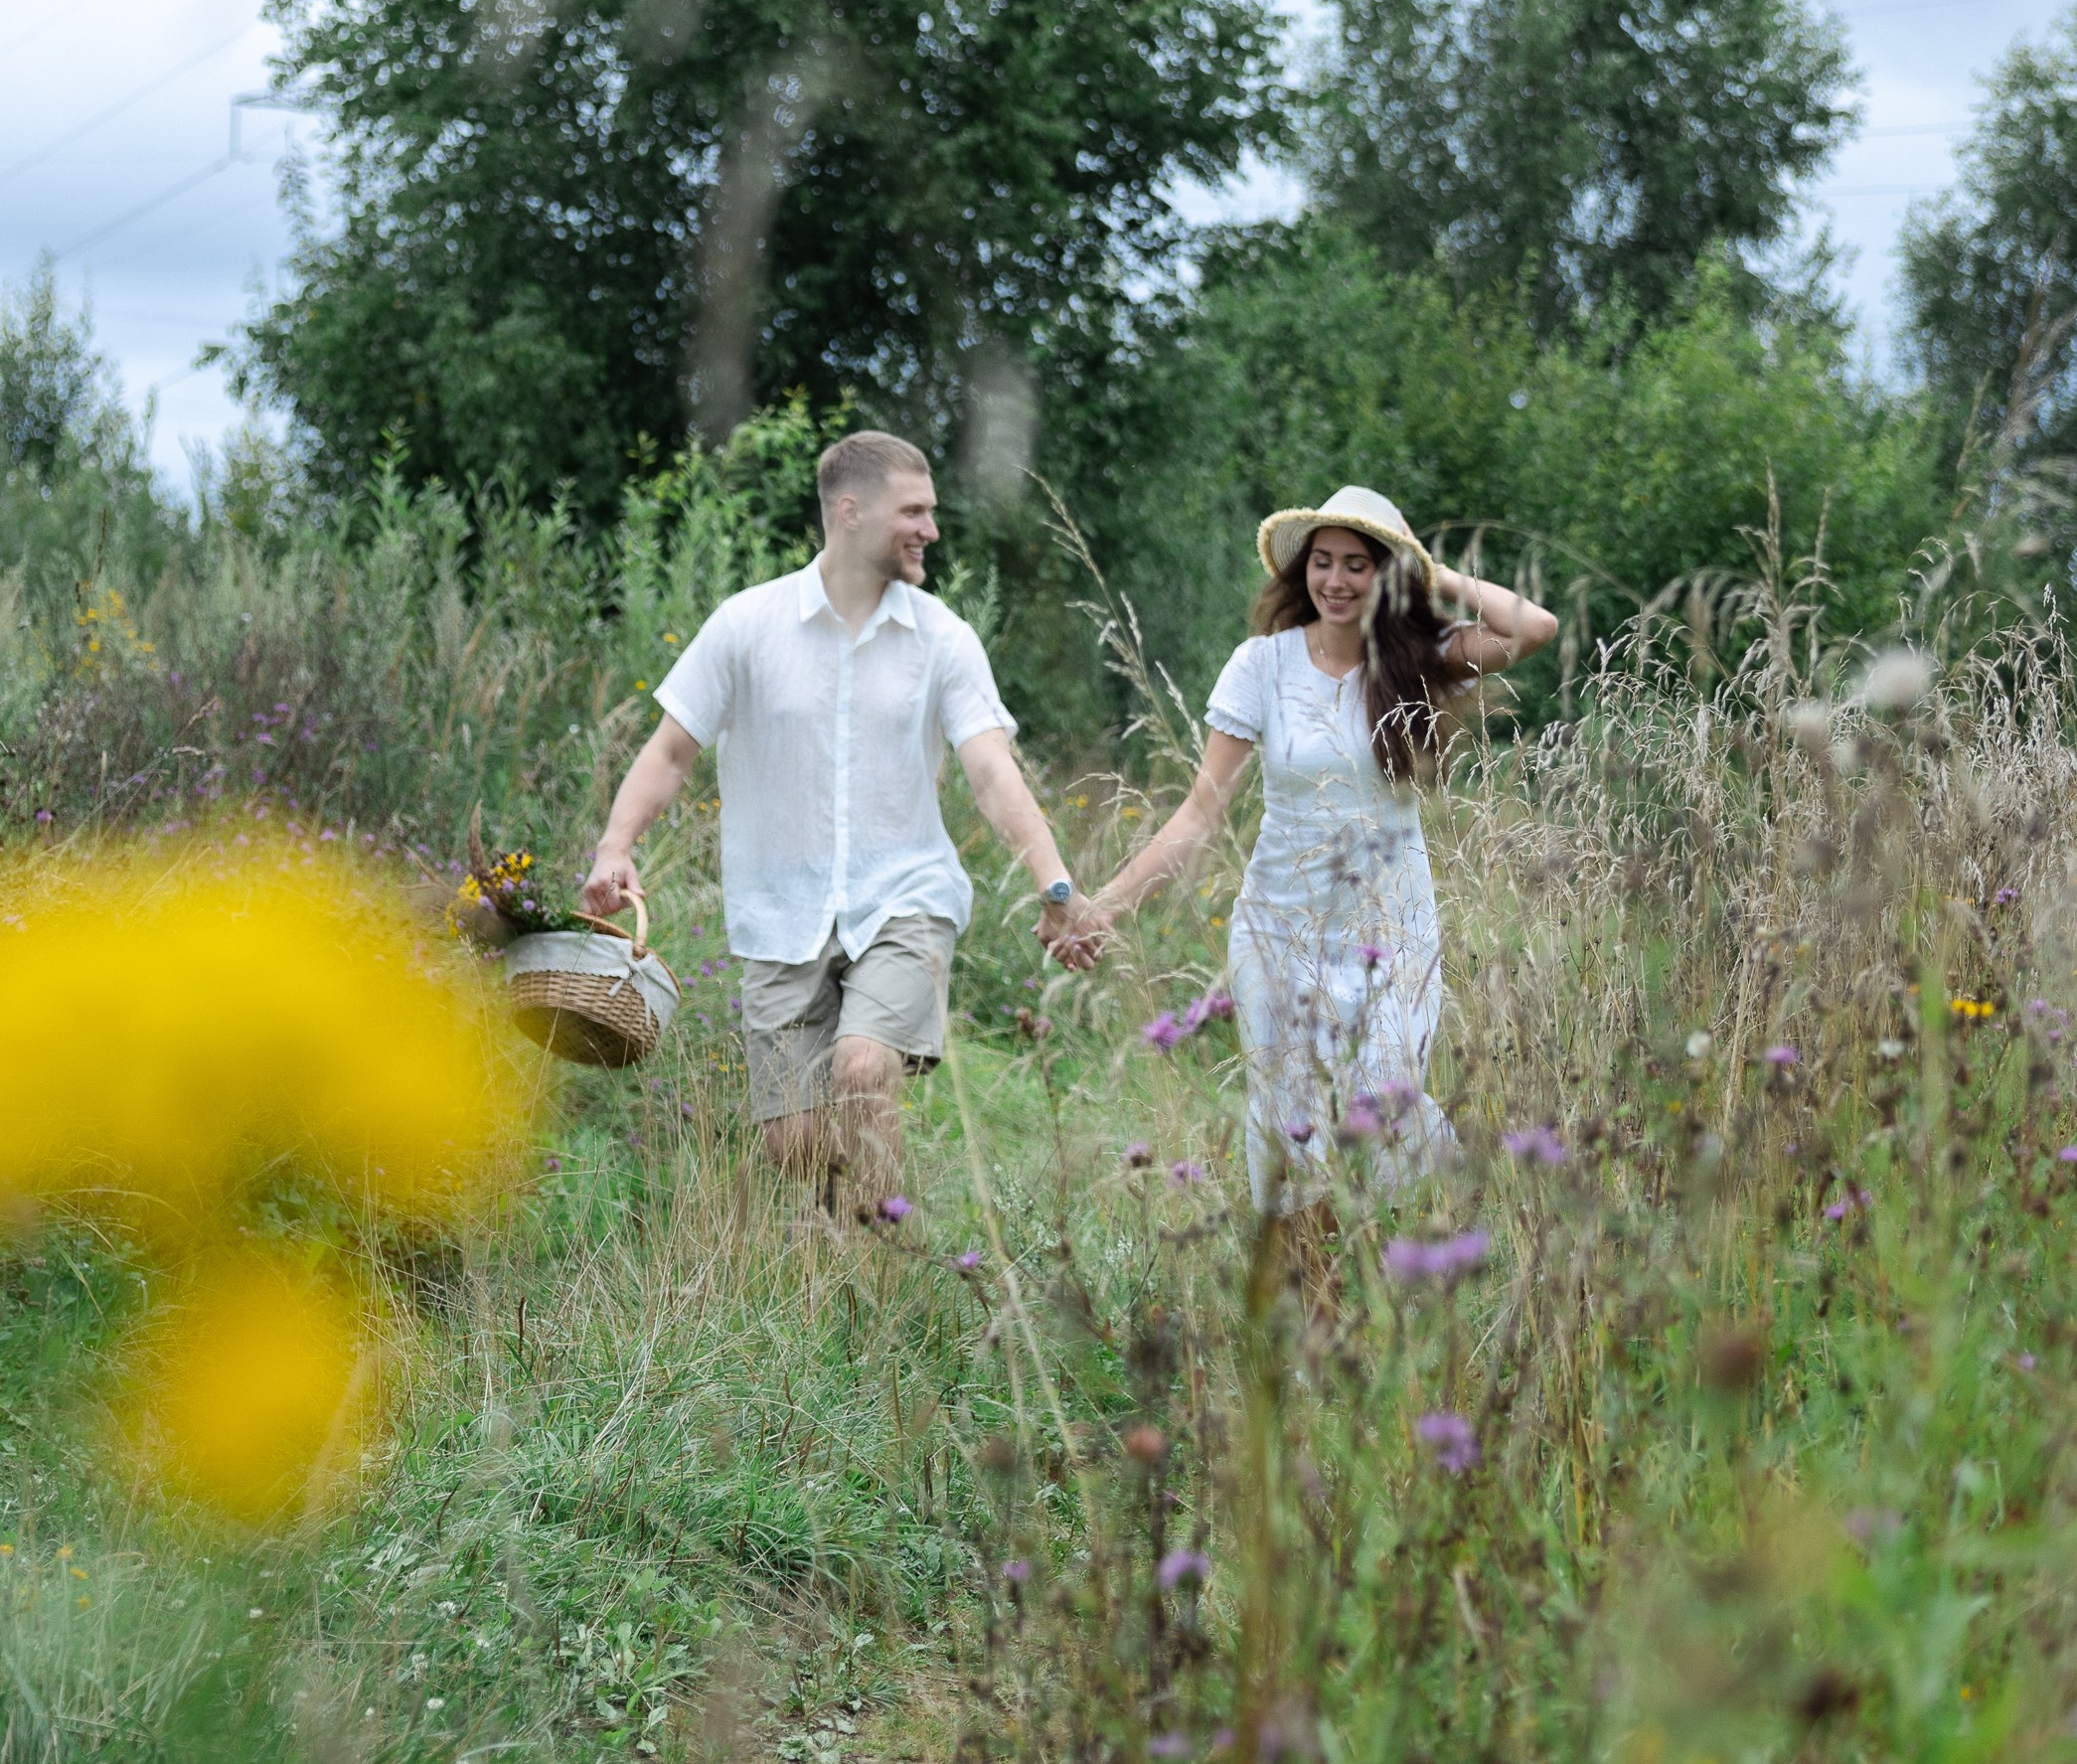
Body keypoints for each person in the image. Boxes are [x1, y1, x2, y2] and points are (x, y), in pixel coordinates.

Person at [581, 429, 1099, 1211]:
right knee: (793, 1144)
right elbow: (671, 751)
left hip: (905, 897)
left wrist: (1053, 882)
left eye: (931, 510)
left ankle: (887, 1261)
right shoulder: (746, 626)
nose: (930, 528)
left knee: (862, 1067)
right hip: (778, 909)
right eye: (913, 510)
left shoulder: (942, 640)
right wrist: (615, 846)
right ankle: (848, 1244)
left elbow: (991, 771)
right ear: (850, 511)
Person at [1059, 487, 1557, 1211]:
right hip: (1280, 928)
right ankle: (1307, 1295)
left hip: (1391, 927)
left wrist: (1432, 573)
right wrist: (1103, 906)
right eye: (1321, 562)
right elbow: (1200, 813)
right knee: (1295, 1129)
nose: (1334, 580)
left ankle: (1398, 1268)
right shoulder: (1261, 665)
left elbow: (1533, 626)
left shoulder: (1418, 659)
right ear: (1301, 573)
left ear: (1384, 576)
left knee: (1384, 1099)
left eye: (1357, 564)